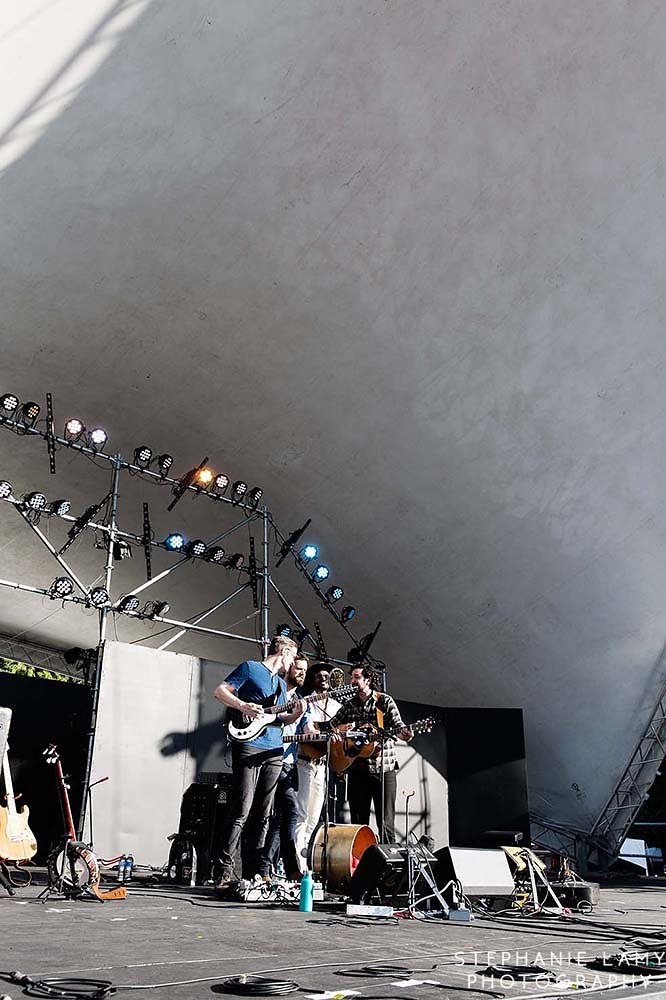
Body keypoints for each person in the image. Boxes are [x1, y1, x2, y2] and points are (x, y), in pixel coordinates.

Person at [213, 635, 304, 889]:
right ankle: (224, 871)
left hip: (275, 750)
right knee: (241, 809)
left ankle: (253, 872)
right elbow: (220, 691)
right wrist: (242, 705)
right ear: (284, 652)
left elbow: (280, 719)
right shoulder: (251, 668)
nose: (293, 663)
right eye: (293, 657)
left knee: (264, 814)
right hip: (249, 745)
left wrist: (296, 712)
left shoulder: (282, 686)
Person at [321, 665, 412, 843]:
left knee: (385, 824)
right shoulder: (350, 705)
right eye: (352, 678)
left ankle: (387, 866)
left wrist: (406, 734)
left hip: (383, 770)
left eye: (356, 678)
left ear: (367, 680)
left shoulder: (383, 701)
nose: (352, 682)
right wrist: (339, 731)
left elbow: (399, 728)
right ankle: (360, 864)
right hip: (357, 770)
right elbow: (330, 726)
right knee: (358, 824)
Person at [261, 654, 307, 879]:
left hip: (290, 765)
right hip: (271, 759)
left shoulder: (302, 701)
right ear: (288, 669)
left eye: (304, 671)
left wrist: (328, 734)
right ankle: (291, 868)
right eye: (298, 669)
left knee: (282, 818)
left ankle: (266, 868)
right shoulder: (274, 693)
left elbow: (307, 731)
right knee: (292, 811)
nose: (302, 673)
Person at [293, 663, 342, 871]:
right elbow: (308, 729)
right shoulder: (307, 702)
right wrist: (327, 735)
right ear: (313, 680)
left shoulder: (337, 707)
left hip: (322, 766)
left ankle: (308, 864)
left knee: (314, 817)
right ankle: (299, 864)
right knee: (301, 814)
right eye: (319, 676)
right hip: (304, 762)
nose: (323, 679)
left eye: (326, 676)